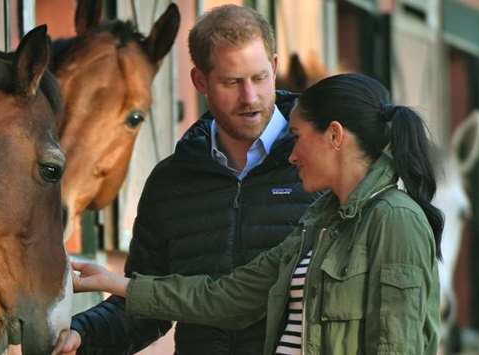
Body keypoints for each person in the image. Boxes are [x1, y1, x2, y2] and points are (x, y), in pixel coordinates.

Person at [68, 73, 443, 355]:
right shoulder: (319, 224)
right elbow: (226, 297)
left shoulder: (395, 219)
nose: (291, 155)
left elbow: (398, 347)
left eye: (296, 137)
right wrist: (116, 283)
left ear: (335, 135)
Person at [52, 5, 316, 355]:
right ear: (199, 81)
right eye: (232, 82)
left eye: (259, 77)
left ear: (276, 67)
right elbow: (144, 309)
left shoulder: (317, 166)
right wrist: (83, 335)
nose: (250, 97)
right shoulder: (171, 183)